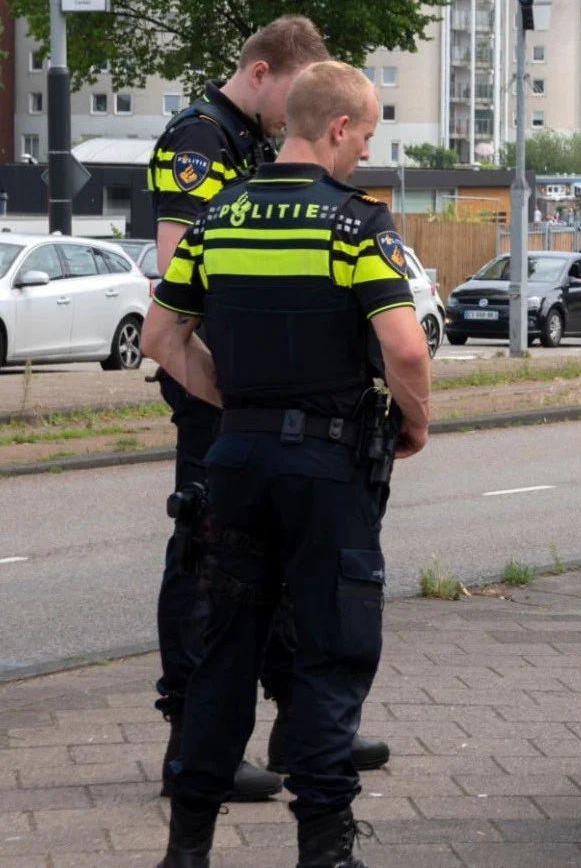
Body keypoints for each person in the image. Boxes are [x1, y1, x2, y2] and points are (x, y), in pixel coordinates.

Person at [143, 60, 431, 868]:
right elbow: (406, 347)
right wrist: (415, 421)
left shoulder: (219, 216)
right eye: (365, 136)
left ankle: (187, 848)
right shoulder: (355, 225)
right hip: (326, 471)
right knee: (329, 653)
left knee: (224, 654)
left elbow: (160, 337)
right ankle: (325, 850)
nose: (364, 151)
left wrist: (231, 398)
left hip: (234, 463)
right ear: (338, 127)